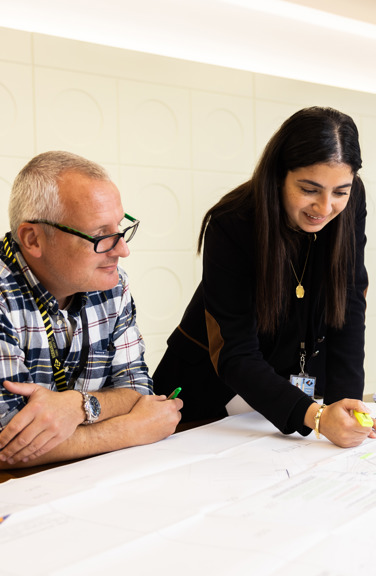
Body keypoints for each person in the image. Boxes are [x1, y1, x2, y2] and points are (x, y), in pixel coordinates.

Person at [153, 106, 374, 448]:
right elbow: (236, 352)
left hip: (286, 390)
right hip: (209, 389)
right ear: (279, 175)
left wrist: (345, 406)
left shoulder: (351, 202)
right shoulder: (232, 223)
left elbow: (348, 306)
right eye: (309, 189)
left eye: (340, 192)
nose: (324, 207)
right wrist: (314, 416)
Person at [0, 151, 183, 468]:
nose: (123, 250)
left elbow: (137, 389)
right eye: (101, 236)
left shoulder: (112, 285)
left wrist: (78, 405)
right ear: (33, 238)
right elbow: (8, 440)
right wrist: (129, 429)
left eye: (121, 229)